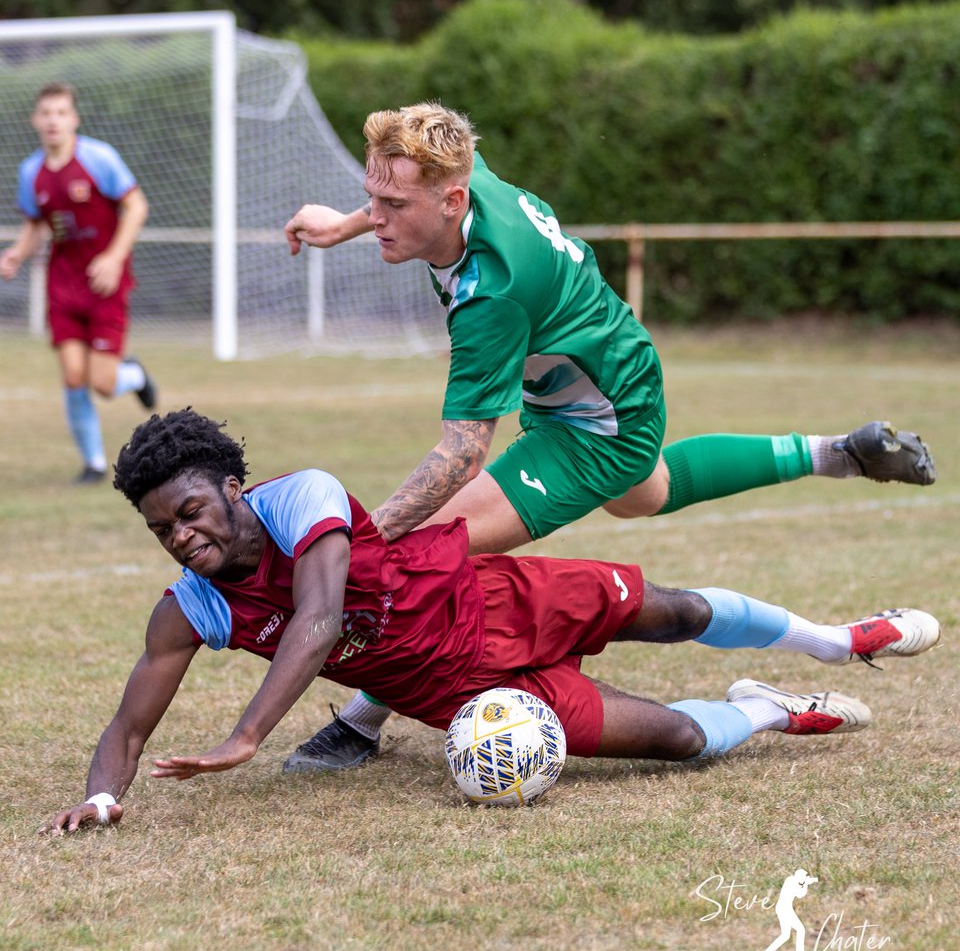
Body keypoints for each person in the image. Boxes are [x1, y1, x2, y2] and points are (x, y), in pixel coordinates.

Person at [282, 102, 936, 769]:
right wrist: (345, 223)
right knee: (647, 493)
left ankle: (360, 723)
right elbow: (409, 194)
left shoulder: (492, 291)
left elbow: (462, 452)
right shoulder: (462, 178)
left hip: (597, 419)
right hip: (600, 372)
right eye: (373, 198)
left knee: (421, 546)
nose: (379, 215)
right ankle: (836, 454)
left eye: (392, 203)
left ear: (452, 199)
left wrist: (364, 534)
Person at [43, 409, 940, 833]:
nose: (181, 535)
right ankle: (778, 705)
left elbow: (317, 620)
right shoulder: (190, 609)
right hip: (473, 693)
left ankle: (841, 638)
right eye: (161, 528)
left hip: (501, 598)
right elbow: (129, 722)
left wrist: (246, 737)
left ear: (231, 488)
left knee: (676, 612)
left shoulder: (301, 498)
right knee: (675, 742)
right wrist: (101, 795)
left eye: (191, 511)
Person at [0, 82, 157, 485]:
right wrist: (18, 252)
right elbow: (37, 223)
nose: (53, 120)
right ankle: (94, 463)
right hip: (63, 283)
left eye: (61, 112)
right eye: (46, 113)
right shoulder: (30, 171)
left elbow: (136, 206)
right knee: (73, 376)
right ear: (36, 120)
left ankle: (134, 375)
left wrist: (113, 257)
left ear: (74, 119)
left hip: (106, 283)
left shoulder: (98, 158)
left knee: (103, 384)